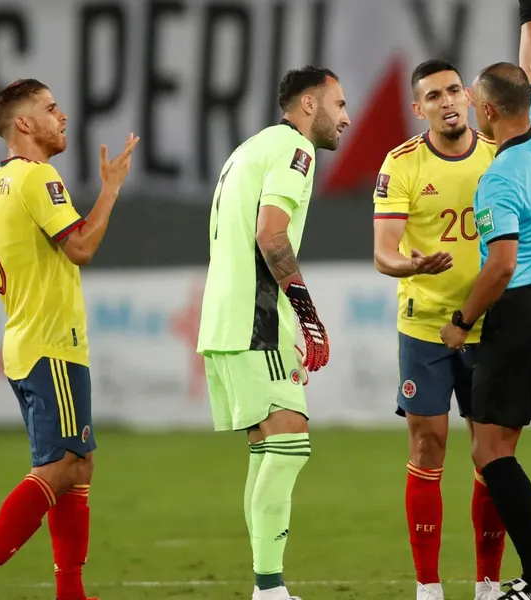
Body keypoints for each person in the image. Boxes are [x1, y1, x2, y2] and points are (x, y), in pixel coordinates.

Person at [0, 78, 138, 600]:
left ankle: (71, 591)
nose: (61, 116)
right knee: (62, 464)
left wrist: (15, 280)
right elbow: (81, 247)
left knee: (79, 464)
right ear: (23, 123)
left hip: (26, 337)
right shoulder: (38, 177)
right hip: (49, 341)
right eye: (50, 108)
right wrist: (109, 190)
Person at [196, 65, 350, 600]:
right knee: (289, 442)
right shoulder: (294, 151)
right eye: (339, 104)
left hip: (224, 316)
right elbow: (270, 233)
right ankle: (269, 589)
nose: (346, 118)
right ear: (310, 105)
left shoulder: (248, 148)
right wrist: (307, 314)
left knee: (269, 447)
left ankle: (267, 587)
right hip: (256, 318)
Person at [372, 59, 504, 600]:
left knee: (490, 452)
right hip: (425, 327)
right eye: (434, 96)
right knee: (428, 445)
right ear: (417, 108)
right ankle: (428, 588)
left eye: (454, 90)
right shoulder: (400, 163)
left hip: (493, 326)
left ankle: (488, 584)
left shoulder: (501, 158)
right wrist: (413, 266)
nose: (447, 101)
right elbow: (383, 255)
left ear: (470, 97)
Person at [438, 4, 531, 598]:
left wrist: (462, 321)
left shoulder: (499, 177)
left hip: (524, 313)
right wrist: (530, 9)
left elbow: (502, 265)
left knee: (490, 449)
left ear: (484, 111)